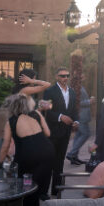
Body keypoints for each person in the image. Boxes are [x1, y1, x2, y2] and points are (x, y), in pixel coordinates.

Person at [0, 92, 52, 206]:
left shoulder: (11, 122)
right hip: (47, 151)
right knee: (35, 185)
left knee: (25, 185)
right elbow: (47, 134)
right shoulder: (35, 115)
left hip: (29, 155)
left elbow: (5, 146)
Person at [40, 67, 80, 196]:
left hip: (66, 132)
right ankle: (43, 192)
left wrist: (76, 121)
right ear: (57, 77)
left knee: (60, 162)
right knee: (48, 162)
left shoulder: (72, 92)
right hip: (52, 132)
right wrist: (60, 117)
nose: (65, 78)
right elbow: (47, 111)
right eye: (62, 76)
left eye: (67, 75)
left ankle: (56, 190)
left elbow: (74, 110)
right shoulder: (50, 91)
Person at [65, 81, 92, 166]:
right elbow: (76, 102)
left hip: (83, 116)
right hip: (81, 116)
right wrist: (89, 101)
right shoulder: (75, 88)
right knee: (86, 134)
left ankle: (74, 157)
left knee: (78, 135)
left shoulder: (79, 86)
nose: (83, 76)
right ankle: (71, 154)